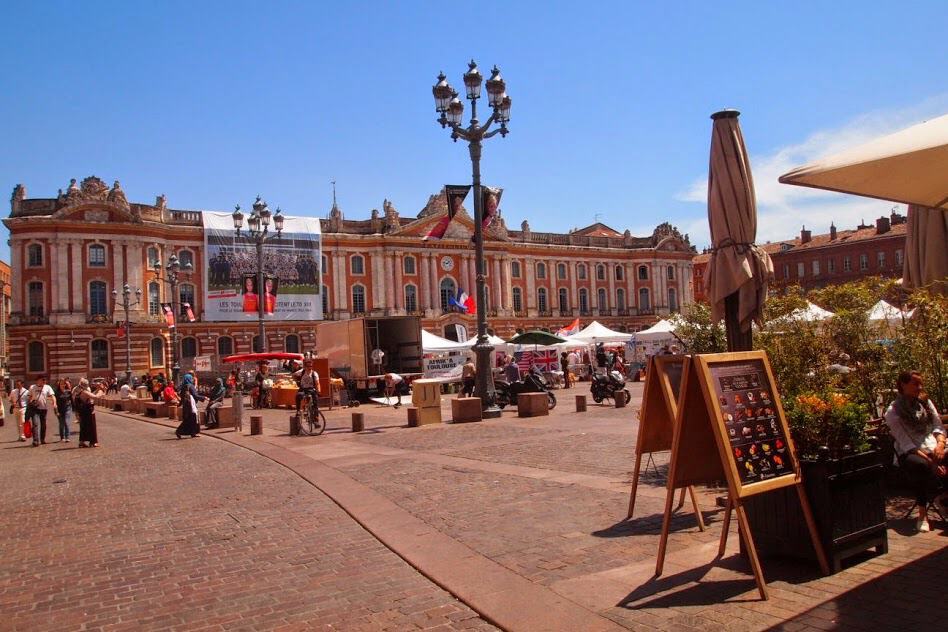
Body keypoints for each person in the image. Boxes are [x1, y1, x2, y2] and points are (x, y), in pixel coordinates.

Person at [884, 370, 946, 533]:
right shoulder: (893, 411)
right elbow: (906, 443)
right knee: (921, 466)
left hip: (932, 444)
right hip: (912, 451)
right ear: (903, 385)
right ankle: (922, 514)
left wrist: (940, 444)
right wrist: (932, 461)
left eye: (921, 383)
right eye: (915, 384)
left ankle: (944, 497)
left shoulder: (925, 402)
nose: (920, 387)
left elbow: (938, 425)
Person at [28, 376, 57, 447]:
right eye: (42, 380)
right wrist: (30, 401)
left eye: (44, 380)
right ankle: (35, 440)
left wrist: (54, 403)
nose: (44, 381)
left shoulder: (47, 387)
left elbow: (52, 396)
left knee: (43, 425)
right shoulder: (32, 387)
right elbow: (29, 397)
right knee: (35, 424)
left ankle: (42, 439)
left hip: (44, 409)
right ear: (38, 381)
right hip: (35, 409)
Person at [175, 373, 205, 439]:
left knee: (188, 419)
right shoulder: (191, 386)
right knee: (194, 419)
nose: (192, 379)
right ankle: (183, 431)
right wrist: (204, 397)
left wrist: (179, 404)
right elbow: (195, 395)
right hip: (191, 406)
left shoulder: (183, 387)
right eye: (191, 378)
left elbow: (182, 398)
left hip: (186, 407)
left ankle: (190, 432)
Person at [72, 378, 98, 448]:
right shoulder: (84, 392)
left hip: (82, 412)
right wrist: (101, 390)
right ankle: (92, 442)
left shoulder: (77, 391)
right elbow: (94, 397)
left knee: (83, 427)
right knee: (91, 427)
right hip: (88, 411)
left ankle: (81, 442)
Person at [54, 378, 72, 443]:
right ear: (59, 385)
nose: (62, 385)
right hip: (60, 410)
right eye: (61, 384)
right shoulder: (57, 392)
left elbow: (71, 400)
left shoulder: (68, 391)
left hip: (67, 409)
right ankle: (62, 437)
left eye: (63, 384)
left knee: (66, 422)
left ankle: (67, 437)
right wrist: (56, 411)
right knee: (61, 424)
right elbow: (55, 403)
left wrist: (75, 409)